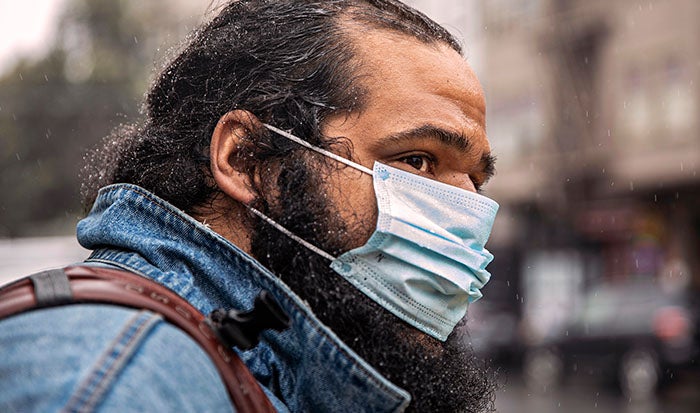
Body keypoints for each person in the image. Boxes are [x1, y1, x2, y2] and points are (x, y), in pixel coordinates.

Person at [0, 0, 499, 411]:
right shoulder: (115, 383)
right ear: (245, 159)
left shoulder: (279, 370)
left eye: (476, 180)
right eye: (417, 160)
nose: (465, 219)